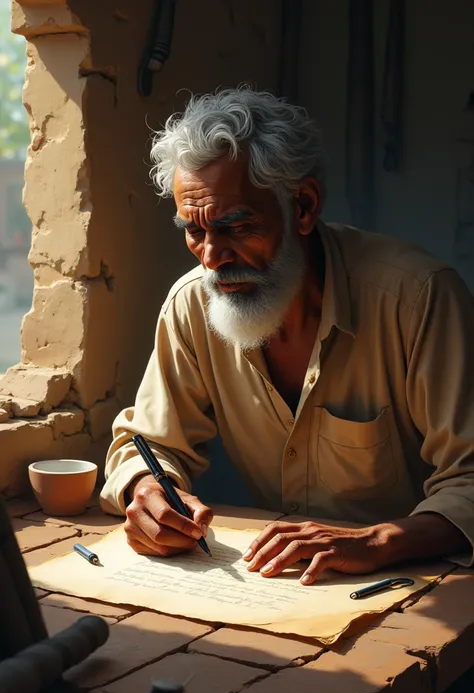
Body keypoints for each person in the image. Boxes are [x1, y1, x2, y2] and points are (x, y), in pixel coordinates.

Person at [100, 87, 474, 585]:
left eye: (236, 226)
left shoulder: (417, 298)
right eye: (194, 231)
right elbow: (147, 442)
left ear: (303, 206)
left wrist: (379, 540)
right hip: (279, 586)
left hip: (419, 584)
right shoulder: (193, 304)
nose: (212, 257)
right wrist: (148, 487)